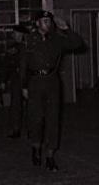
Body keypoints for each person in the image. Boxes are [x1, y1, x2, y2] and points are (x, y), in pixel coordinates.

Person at [20, 11, 84, 170]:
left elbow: (77, 44)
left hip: (52, 83)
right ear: (37, 23)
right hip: (35, 82)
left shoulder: (57, 39)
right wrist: (24, 86)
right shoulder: (28, 40)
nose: (48, 24)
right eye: (44, 21)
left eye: (49, 21)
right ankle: (36, 146)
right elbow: (23, 66)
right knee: (36, 118)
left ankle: (50, 155)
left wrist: (66, 29)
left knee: (53, 119)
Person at [3, 26, 27, 139]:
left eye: (17, 34)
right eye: (14, 34)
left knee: (32, 105)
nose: (15, 36)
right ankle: (16, 129)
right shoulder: (12, 49)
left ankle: (33, 130)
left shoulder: (28, 47)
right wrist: (4, 79)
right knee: (16, 105)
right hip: (16, 78)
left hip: (29, 78)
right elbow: (7, 65)